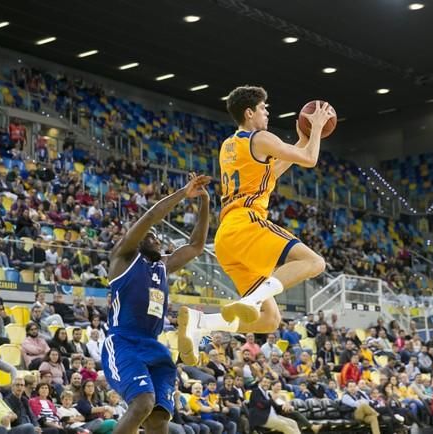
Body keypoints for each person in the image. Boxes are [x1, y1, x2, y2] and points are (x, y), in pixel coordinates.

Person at [179, 87, 334, 364]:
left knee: (270, 320)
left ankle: (202, 322)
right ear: (249, 113)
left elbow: (269, 174)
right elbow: (310, 160)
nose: (267, 112)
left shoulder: (229, 145)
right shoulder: (261, 137)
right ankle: (250, 301)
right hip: (246, 222)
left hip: (227, 237)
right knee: (315, 263)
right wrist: (318, 128)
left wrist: (301, 141)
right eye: (264, 108)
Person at [101, 173, 211, 434]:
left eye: (159, 238)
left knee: (160, 417)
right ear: (136, 241)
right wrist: (184, 193)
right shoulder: (123, 259)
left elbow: (196, 246)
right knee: (142, 404)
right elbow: (150, 217)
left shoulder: (162, 266)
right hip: (124, 343)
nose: (156, 238)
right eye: (150, 236)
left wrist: (205, 201)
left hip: (154, 345)